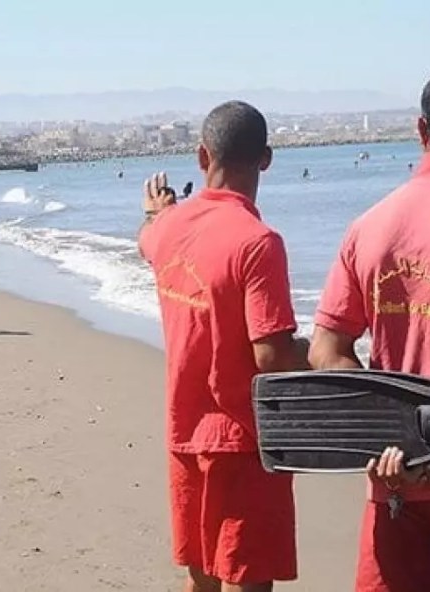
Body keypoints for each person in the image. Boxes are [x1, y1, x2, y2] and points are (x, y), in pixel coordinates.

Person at [309, 67, 430, 592]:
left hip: (394, 481)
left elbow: (327, 352)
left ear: (421, 131)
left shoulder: (369, 226)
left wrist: (398, 442)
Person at [139, 101, 308, 592]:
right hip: (240, 439)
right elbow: (271, 355)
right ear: (266, 159)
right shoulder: (258, 242)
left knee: (203, 576)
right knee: (246, 578)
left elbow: (144, 239)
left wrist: (157, 212)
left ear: (201, 156)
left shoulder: (166, 228)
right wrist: (322, 353)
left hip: (183, 430)